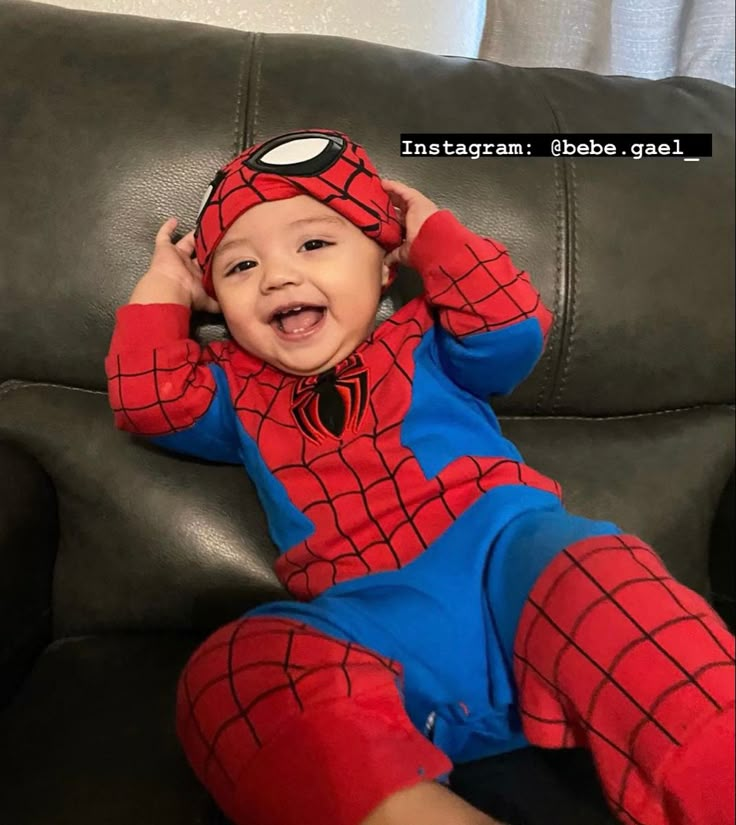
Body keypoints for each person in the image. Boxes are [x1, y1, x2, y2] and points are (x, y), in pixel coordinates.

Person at [105, 129, 735, 825]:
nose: (278, 276)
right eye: (240, 265)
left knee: (608, 578)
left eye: (314, 243)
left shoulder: (428, 338)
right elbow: (149, 400)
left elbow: (510, 324)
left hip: (508, 565)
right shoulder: (235, 388)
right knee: (228, 672)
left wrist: (433, 234)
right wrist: (163, 286)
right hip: (371, 630)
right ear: (216, 301)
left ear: (383, 266)